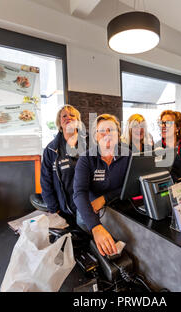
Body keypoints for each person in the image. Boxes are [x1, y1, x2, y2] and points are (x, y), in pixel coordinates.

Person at [73, 114, 130, 256]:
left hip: (116, 207)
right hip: (90, 210)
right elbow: (79, 193)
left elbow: (129, 187)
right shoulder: (86, 159)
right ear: (96, 136)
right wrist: (95, 226)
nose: (107, 134)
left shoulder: (128, 155)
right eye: (102, 131)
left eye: (111, 130)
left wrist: (104, 198)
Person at [40, 105, 87, 225]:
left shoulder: (90, 145)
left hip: (89, 207)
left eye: (72, 115)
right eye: (64, 116)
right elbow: (46, 181)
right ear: (59, 122)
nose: (68, 118)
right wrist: (53, 208)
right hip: (65, 210)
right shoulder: (51, 149)